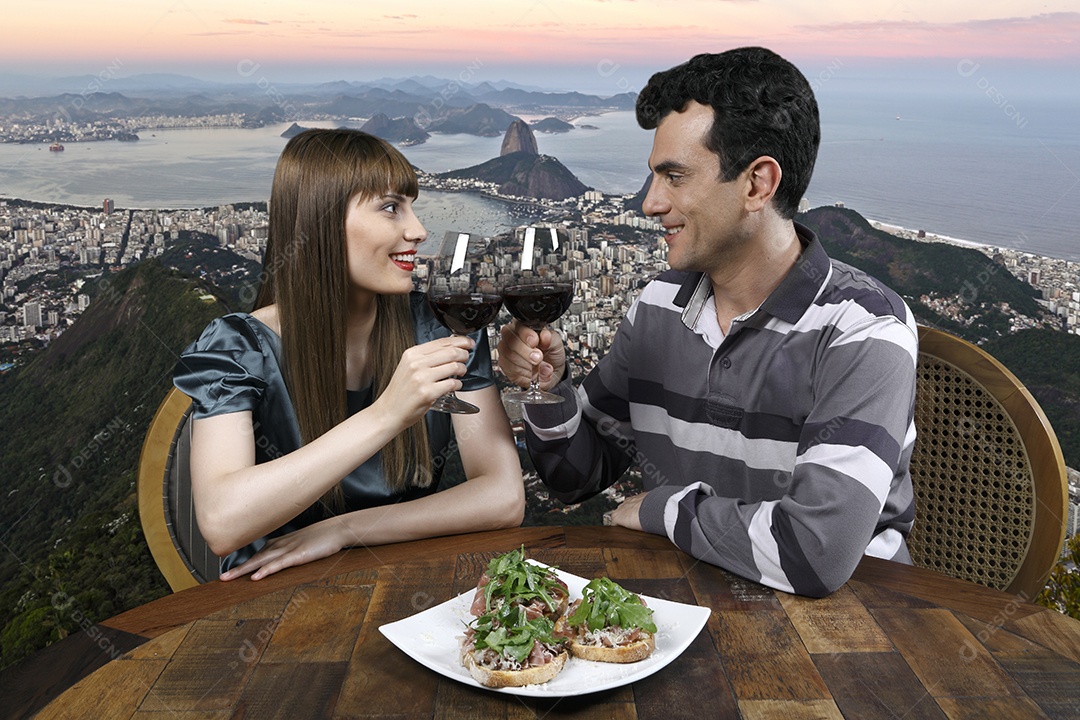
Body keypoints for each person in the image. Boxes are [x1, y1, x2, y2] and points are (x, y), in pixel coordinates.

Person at [498, 47, 918, 597]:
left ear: (757, 184)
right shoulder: (658, 306)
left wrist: (661, 509)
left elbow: (815, 554)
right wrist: (551, 389)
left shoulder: (862, 329)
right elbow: (575, 476)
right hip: (684, 603)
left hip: (853, 630)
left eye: (675, 177)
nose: (649, 203)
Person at [174, 128, 524, 581]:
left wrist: (345, 530)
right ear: (320, 222)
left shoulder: (441, 328)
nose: (418, 231)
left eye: (412, 207)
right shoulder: (239, 347)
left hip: (402, 585)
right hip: (273, 600)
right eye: (391, 207)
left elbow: (504, 496)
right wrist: (387, 414)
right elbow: (222, 523)